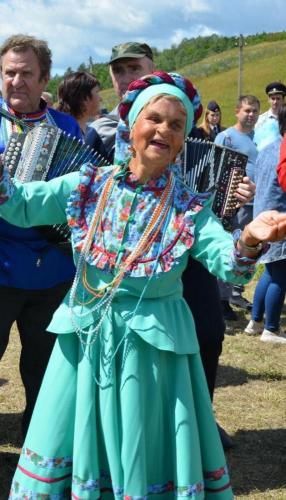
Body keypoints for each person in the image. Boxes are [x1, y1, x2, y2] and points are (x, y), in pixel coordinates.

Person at [2, 70, 285, 499]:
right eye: (154, 118)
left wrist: (248, 239)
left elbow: (230, 265)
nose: (163, 131)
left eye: (176, 125)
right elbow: (22, 206)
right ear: (131, 124)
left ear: (184, 138)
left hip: (152, 356)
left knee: (140, 457)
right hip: (84, 343)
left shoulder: (189, 208)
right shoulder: (87, 185)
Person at [0, 33, 81, 436]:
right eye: (9, 73)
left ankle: (40, 442)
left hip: (52, 268)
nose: (16, 82)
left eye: (26, 74)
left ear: (44, 77)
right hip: (0, 266)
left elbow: (82, 189)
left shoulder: (66, 126)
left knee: (44, 365)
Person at [215, 95, 260, 320]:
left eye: (254, 111)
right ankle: (222, 300)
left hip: (255, 202)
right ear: (237, 111)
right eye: (247, 110)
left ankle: (235, 293)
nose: (251, 115)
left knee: (247, 249)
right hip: (234, 204)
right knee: (231, 247)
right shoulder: (226, 137)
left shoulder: (258, 137)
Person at [244, 104, 286, 344]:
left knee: (270, 272)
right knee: (281, 275)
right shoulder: (283, 151)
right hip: (278, 219)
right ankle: (271, 328)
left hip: (260, 216)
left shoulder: (268, 148)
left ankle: (255, 321)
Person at [86, 42, 155, 159]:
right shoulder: (101, 132)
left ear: (153, 71)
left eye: (134, 68)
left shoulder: (176, 123)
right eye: (118, 71)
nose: (126, 79)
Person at [57, 71, 102, 136]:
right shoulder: (61, 135)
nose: (101, 99)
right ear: (82, 98)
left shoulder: (92, 135)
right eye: (97, 92)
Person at [254, 81, 286, 151]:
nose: (275, 102)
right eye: (273, 98)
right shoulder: (260, 120)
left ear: (283, 100)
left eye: (278, 98)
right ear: (268, 100)